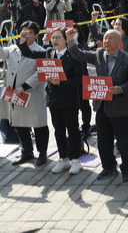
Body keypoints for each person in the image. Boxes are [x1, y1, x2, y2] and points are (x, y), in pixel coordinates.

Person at [66, 28, 128, 183]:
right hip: (102, 107)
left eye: (110, 38)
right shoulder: (99, 54)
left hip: (121, 108)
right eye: (105, 38)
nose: (106, 41)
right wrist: (70, 40)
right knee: (103, 141)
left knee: (124, 142)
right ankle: (108, 167)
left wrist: (120, 89)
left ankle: (126, 168)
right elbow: (79, 54)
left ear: (119, 41)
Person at [17, 27, 84, 175]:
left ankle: (76, 160)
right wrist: (22, 40)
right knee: (58, 130)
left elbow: (79, 79)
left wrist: (61, 82)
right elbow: (29, 53)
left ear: (65, 40)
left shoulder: (74, 54)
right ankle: (63, 158)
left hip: (69, 99)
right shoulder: (49, 53)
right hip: (53, 100)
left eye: (58, 37)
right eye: (53, 37)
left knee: (72, 130)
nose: (54, 40)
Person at [0, 21, 49, 166]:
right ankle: (26, 151)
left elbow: (40, 73)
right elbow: (2, 54)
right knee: (18, 124)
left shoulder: (40, 50)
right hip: (14, 94)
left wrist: (25, 86)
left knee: (38, 124)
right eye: (23, 30)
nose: (25, 33)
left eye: (28, 31)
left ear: (35, 34)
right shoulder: (13, 48)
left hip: (32, 93)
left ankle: (42, 152)